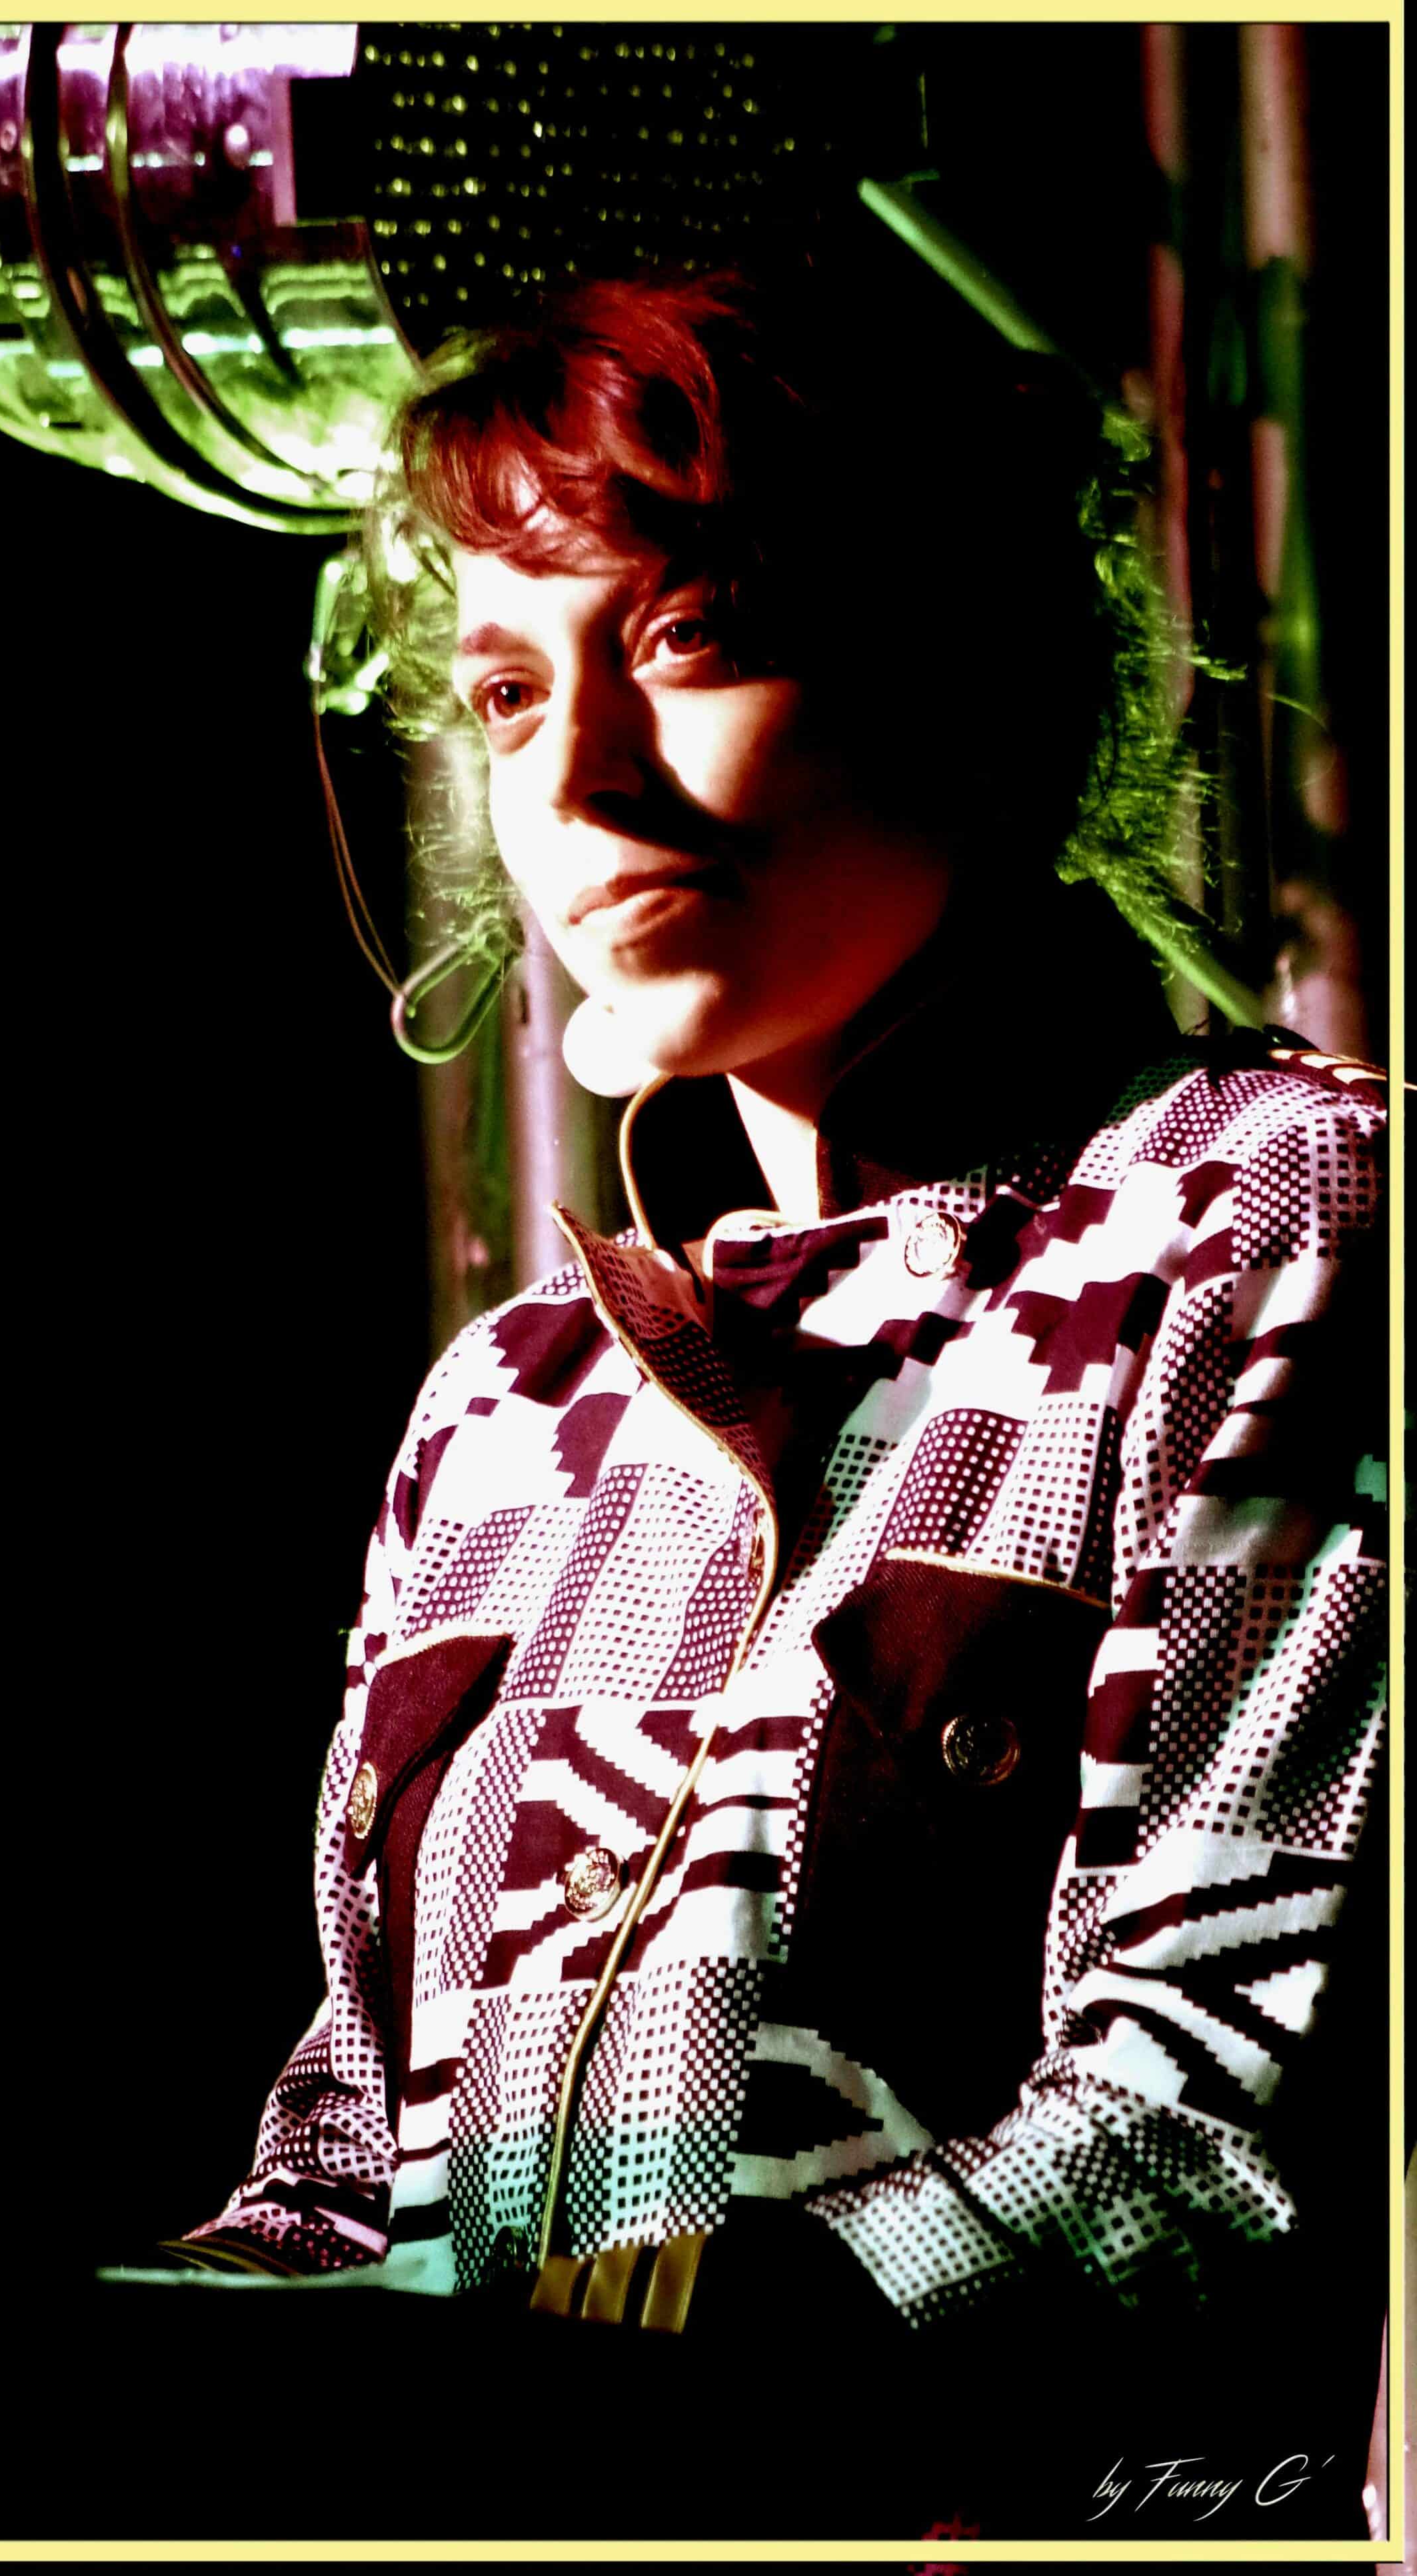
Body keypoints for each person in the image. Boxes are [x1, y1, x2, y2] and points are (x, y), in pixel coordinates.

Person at [165, 269, 1389, 2542]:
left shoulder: (1279, 1214)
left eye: (692, 637)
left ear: (979, 667)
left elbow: (1207, 2137)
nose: (573, 781)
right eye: (507, 690)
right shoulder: (506, 1406)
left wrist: (572, 2385)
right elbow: (350, 2163)